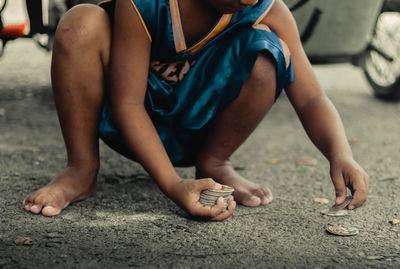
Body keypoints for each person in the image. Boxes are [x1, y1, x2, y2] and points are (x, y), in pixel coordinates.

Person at [22, 0, 369, 221]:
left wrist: (341, 154)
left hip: (198, 127)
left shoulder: (266, 9)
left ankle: (215, 162)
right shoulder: (143, 3)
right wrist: (174, 186)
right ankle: (81, 169)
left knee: (268, 53)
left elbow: (311, 99)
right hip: (126, 120)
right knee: (79, 23)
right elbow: (127, 103)